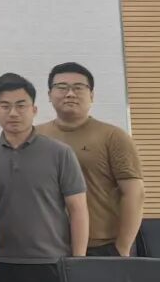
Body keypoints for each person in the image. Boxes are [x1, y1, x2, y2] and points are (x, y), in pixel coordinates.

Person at [0, 73, 88, 282]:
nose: (13, 113)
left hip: (53, 264)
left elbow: (78, 211)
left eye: (21, 105)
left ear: (34, 109)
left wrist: (77, 263)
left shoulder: (60, 153)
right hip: (4, 264)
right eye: (5, 106)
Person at [37, 62, 144, 256]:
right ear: (49, 95)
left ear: (92, 95)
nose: (70, 93)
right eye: (61, 87)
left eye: (78, 87)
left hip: (103, 246)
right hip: (48, 245)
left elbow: (134, 194)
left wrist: (123, 247)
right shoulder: (35, 136)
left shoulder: (113, 136)